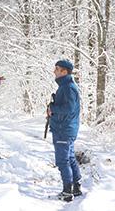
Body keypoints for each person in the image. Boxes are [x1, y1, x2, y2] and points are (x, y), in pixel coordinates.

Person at [47, 59, 82, 202]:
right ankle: (76, 187)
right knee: (70, 158)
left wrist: (52, 108)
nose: (54, 71)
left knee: (62, 161)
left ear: (64, 71)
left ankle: (67, 192)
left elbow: (69, 108)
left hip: (64, 129)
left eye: (57, 69)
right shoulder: (66, 86)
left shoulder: (68, 87)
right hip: (66, 128)